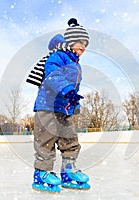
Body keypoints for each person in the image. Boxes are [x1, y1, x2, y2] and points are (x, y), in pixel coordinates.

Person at [30, 18, 90, 193]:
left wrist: (74, 102)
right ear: (70, 42)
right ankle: (42, 174)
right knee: (46, 140)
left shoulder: (76, 64)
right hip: (47, 106)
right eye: (80, 42)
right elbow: (53, 76)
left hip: (64, 110)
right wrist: (67, 91)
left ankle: (68, 172)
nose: (83, 47)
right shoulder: (57, 57)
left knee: (70, 140)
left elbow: (73, 87)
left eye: (86, 44)